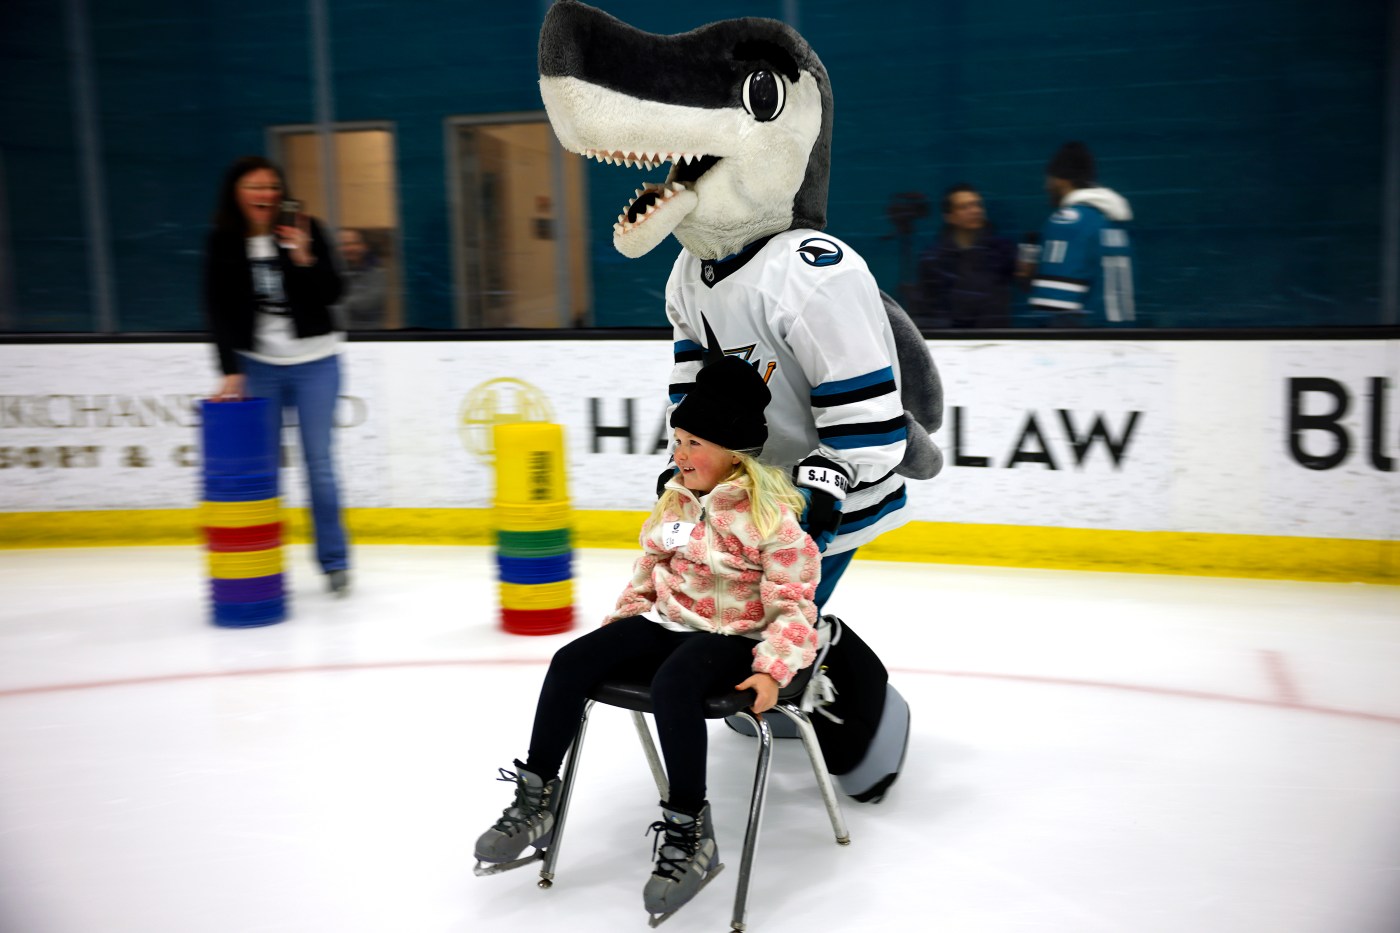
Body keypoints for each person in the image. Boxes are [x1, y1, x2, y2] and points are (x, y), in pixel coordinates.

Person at [473, 354, 821, 922]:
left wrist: (772, 668)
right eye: (677, 440)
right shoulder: (674, 503)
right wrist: (623, 628)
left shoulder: (771, 520)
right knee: (571, 660)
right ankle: (537, 797)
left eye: (694, 443)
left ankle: (690, 833)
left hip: (733, 635)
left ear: (734, 451)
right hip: (667, 622)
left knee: (675, 682)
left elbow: (794, 605)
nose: (680, 454)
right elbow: (648, 570)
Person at [203, 155, 351, 596]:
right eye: (254, 187)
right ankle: (260, 562)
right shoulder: (224, 243)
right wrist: (231, 370)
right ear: (237, 194)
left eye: (271, 186)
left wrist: (304, 257)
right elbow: (217, 310)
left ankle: (334, 562)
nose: (264, 195)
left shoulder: (307, 230)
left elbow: (334, 293)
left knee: (319, 466)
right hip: (259, 366)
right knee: (262, 472)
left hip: (317, 362)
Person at [1026, 141, 1136, 326]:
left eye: (1049, 178)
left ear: (1062, 180)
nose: (1046, 186)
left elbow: (1052, 306)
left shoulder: (1067, 222)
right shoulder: (1115, 223)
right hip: (1124, 342)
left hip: (1086, 346)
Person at [913, 183, 1016, 329]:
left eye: (977, 205)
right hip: (951, 339)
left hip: (995, 336)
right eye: (964, 207)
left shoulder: (1001, 251)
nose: (975, 211)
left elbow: (1019, 283)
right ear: (949, 217)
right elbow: (927, 307)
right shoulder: (933, 259)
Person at [333, 228, 387, 329]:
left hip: (369, 338)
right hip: (338, 338)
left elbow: (368, 303)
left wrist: (339, 303)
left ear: (364, 246)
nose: (349, 248)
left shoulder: (377, 272)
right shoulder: (333, 273)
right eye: (344, 244)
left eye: (353, 243)